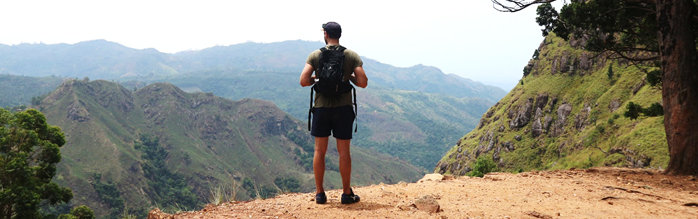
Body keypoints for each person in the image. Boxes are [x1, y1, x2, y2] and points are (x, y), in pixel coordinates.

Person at [299, 21, 368, 204]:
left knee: (319, 150)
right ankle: (346, 194)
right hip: (343, 108)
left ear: (326, 35)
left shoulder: (315, 55)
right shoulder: (350, 55)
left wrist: (318, 78)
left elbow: (304, 81)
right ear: (339, 35)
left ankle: (320, 194)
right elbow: (362, 82)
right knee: (343, 151)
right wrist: (347, 77)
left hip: (321, 107)